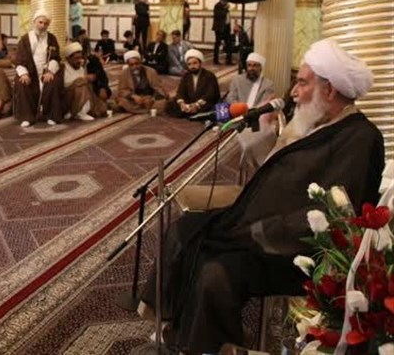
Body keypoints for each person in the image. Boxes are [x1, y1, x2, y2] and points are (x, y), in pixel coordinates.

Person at [139, 39, 385, 354]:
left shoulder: (361, 138)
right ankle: (174, 325)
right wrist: (268, 134)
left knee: (214, 268)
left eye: (302, 82)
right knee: (184, 231)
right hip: (256, 222)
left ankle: (211, 346)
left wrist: (256, 232)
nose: (293, 91)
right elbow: (270, 172)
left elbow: (336, 214)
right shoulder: (311, 121)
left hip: (295, 249)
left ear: (330, 90)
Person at [225, 52, 278, 175]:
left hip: (256, 118)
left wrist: (250, 112)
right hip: (237, 113)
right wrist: (239, 109)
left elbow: (264, 104)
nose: (251, 68)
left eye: (255, 65)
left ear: (260, 67)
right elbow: (231, 98)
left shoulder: (268, 84)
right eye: (249, 65)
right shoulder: (237, 80)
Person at [12, 11, 64, 127]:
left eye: (46, 24)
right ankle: (27, 117)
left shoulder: (51, 38)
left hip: (45, 72)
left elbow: (55, 58)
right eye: (40, 22)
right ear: (34, 22)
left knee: (54, 82)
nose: (42, 26)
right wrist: (24, 74)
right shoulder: (25, 39)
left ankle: (51, 116)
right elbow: (19, 60)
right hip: (29, 72)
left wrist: (50, 71)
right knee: (21, 82)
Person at [60, 42, 109, 121]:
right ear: (68, 58)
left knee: (101, 107)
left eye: (80, 58)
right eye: (76, 58)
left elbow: (102, 76)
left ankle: (80, 111)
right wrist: (84, 79)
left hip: (79, 97)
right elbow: (66, 84)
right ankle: (79, 112)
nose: (79, 60)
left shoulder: (80, 68)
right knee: (81, 84)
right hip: (66, 100)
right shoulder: (62, 68)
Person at [169, 49, 220, 118]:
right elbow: (180, 91)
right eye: (189, 64)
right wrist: (182, 103)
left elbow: (210, 95)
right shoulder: (186, 76)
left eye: (195, 63)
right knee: (171, 104)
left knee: (209, 108)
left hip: (204, 103)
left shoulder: (209, 75)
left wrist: (197, 104)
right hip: (190, 103)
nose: (192, 66)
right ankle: (189, 111)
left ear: (200, 63)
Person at [212, 0, 231, 65]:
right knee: (218, 44)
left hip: (226, 28)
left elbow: (227, 17)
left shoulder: (226, 7)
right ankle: (216, 60)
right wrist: (225, 9)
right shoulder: (217, 6)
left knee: (228, 44)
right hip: (219, 28)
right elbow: (218, 15)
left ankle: (228, 60)